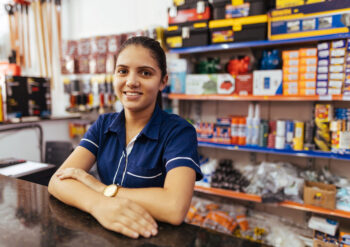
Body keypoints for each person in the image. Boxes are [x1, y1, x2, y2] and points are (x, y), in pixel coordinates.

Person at [48, 36, 203, 239]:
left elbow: (174, 207)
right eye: (123, 71)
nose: (131, 82)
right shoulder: (103, 125)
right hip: (108, 232)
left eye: (145, 73)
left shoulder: (179, 132)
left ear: (163, 81)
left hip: (152, 236)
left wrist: (103, 190)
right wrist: (98, 205)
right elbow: (58, 181)